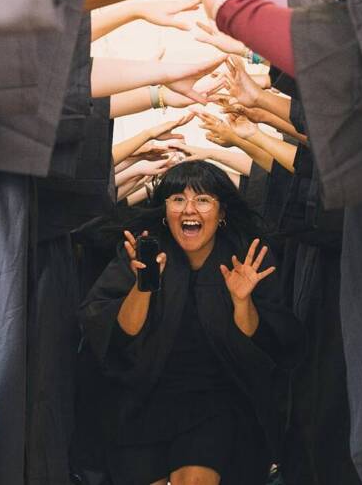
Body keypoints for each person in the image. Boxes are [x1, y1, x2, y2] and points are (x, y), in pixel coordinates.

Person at [78, 161, 299, 485]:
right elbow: (113, 336)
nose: (188, 209)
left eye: (203, 199)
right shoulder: (142, 255)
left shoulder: (245, 258)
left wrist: (242, 302)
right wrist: (143, 287)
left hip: (220, 402)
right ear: (165, 211)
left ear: (221, 212)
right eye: (177, 199)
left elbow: (271, 345)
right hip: (142, 400)